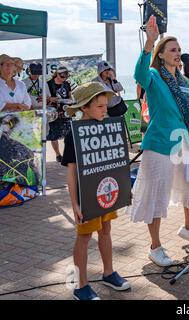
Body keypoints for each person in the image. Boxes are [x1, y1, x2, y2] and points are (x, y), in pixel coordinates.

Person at [126, 15, 189, 267]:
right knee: (157, 195)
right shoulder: (153, 75)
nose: (178, 53)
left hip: (185, 143)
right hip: (160, 143)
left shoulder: (184, 81)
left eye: (179, 50)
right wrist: (149, 42)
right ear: (161, 54)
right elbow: (138, 74)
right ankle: (155, 247)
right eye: (173, 49)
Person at [62, 82, 130, 300]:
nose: (105, 110)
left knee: (106, 229)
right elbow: (71, 173)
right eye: (100, 106)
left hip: (105, 192)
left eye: (105, 106)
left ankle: (108, 272)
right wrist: (75, 204)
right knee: (84, 236)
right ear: (85, 108)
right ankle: (81, 285)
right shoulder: (73, 134)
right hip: (86, 196)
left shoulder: (107, 126)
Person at [47, 66, 73, 162]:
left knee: (68, 134)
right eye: (62, 77)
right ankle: (58, 154)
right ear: (57, 74)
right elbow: (45, 98)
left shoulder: (66, 84)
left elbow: (70, 96)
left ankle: (67, 153)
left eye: (65, 77)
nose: (64, 79)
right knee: (53, 135)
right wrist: (51, 99)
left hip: (65, 112)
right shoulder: (49, 84)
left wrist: (71, 101)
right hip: (53, 113)